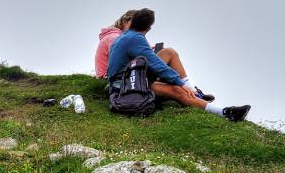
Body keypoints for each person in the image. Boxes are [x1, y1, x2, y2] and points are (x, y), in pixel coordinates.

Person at [107, 8, 251, 121]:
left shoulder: (123, 37)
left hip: (130, 76)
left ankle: (194, 93)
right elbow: (156, 64)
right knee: (177, 90)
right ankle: (225, 112)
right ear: (149, 28)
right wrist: (178, 82)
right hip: (126, 86)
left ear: (133, 22)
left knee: (169, 52)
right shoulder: (136, 39)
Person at [95, 10, 136, 78]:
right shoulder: (114, 37)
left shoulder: (122, 37)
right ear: (125, 22)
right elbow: (122, 58)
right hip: (109, 78)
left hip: (115, 74)